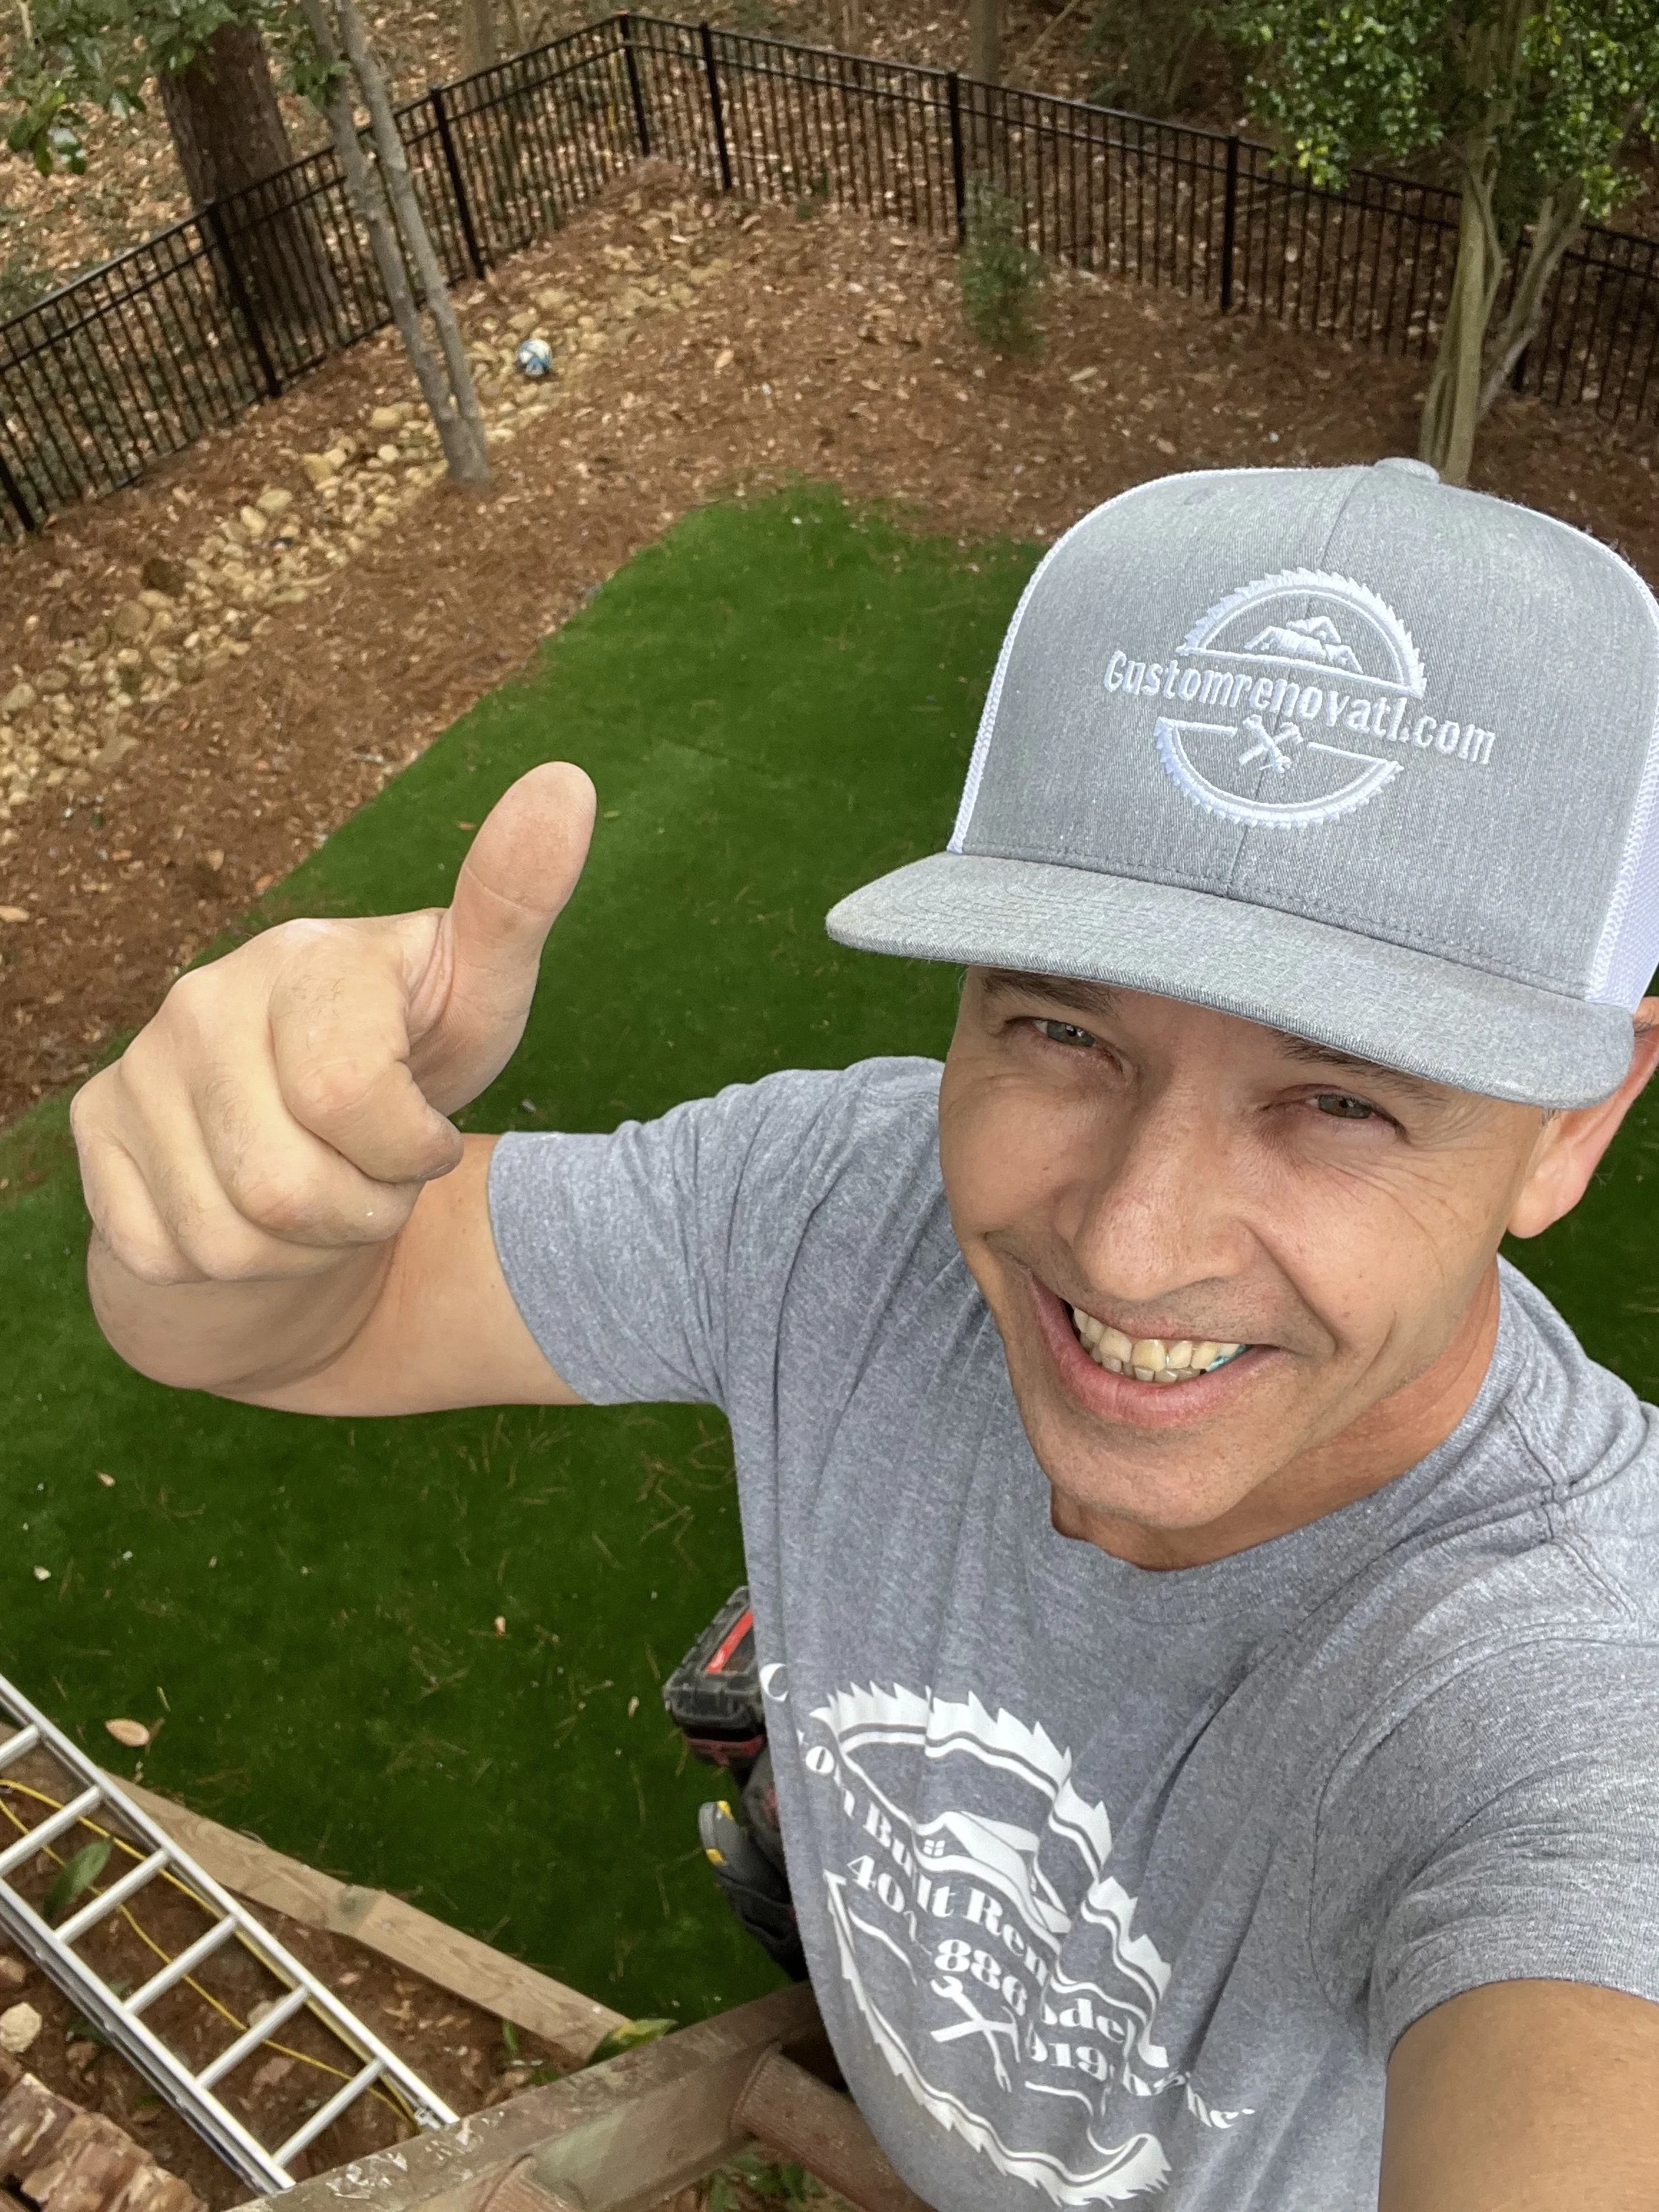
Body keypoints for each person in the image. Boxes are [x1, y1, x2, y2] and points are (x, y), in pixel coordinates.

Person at [72, 459, 1659, 2211]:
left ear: (1575, 1125)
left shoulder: (1571, 1694)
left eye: (1343, 1102)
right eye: (1062, 1024)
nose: (1129, 1241)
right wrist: (230, 1192)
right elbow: (293, 1325)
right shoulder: (839, 1201)